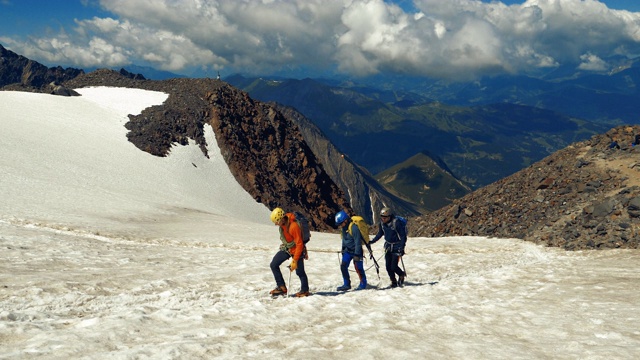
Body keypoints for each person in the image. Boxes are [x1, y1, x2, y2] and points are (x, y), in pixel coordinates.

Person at [269, 208, 310, 297]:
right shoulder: (283, 226)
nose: (276, 224)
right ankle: (281, 287)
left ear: (281, 219)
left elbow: (299, 244)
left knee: (300, 272)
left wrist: (295, 260)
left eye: (277, 222)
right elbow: (287, 239)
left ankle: (305, 290)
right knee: (274, 264)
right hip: (288, 248)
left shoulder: (293, 226)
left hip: (297, 251)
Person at [369, 207, 407, 288]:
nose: (383, 219)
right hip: (388, 247)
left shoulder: (396, 223)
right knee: (388, 266)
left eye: (385, 217)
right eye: (382, 217)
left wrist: (402, 247)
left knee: (393, 266)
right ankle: (393, 281)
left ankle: (401, 274)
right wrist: (372, 241)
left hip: (396, 247)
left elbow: (403, 236)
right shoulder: (382, 224)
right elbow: (380, 233)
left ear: (389, 216)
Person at [335, 210, 367, 291]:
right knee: (343, 266)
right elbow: (344, 239)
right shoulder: (344, 228)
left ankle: (363, 284)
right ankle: (346, 284)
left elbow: (357, 242)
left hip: (357, 252)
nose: (340, 226)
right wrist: (343, 249)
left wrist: (357, 254)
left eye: (341, 223)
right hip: (348, 251)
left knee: (359, 268)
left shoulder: (354, 228)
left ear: (345, 220)